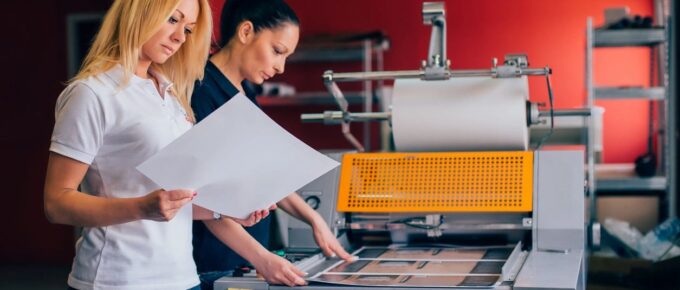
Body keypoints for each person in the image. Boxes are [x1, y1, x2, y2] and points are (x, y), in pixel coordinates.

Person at [44, 0, 305, 289]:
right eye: (172, 20)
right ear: (140, 12)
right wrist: (142, 208)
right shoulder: (92, 93)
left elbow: (173, 204)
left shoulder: (170, 95)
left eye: (189, 29)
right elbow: (57, 203)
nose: (180, 37)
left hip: (182, 278)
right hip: (117, 280)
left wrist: (224, 210)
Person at [191, 0, 353, 288]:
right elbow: (201, 200)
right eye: (277, 51)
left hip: (247, 262)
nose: (280, 67)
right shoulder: (200, 92)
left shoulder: (245, 93)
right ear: (245, 31)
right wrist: (262, 258)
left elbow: (266, 173)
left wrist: (315, 220)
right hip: (213, 266)